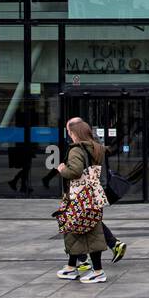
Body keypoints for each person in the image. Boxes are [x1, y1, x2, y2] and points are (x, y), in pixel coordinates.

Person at [55, 117, 109, 283]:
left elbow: (75, 172)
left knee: (73, 228)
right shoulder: (97, 149)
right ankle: (73, 267)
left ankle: (97, 271)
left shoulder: (76, 150)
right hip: (94, 195)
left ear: (75, 134)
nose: (70, 136)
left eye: (70, 133)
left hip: (78, 196)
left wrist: (63, 169)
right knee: (90, 230)